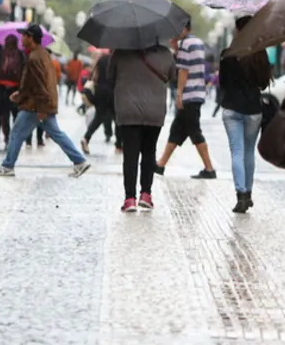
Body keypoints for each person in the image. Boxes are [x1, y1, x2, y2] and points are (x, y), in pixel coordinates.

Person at [0, 23, 91, 178]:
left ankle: (7, 166)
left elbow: (41, 84)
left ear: (31, 38)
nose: (21, 38)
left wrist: (42, 107)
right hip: (40, 103)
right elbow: (35, 82)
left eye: (24, 35)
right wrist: (21, 93)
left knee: (16, 132)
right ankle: (79, 161)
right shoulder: (41, 54)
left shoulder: (35, 57)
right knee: (56, 133)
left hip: (35, 105)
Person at [109, 44, 176, 212]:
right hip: (155, 110)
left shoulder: (120, 52)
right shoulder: (165, 53)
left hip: (128, 109)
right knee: (149, 151)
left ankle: (129, 198)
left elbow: (110, 77)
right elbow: (171, 76)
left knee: (130, 154)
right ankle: (146, 195)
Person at [220, 16, 272, 213]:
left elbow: (223, 84)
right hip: (253, 110)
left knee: (237, 152)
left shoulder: (227, 54)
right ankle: (248, 193)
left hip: (231, 108)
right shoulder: (260, 53)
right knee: (249, 152)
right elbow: (264, 83)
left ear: (237, 31)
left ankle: (241, 195)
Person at [155, 20, 216, 178]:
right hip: (197, 93)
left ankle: (209, 169)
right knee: (176, 130)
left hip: (189, 94)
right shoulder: (196, 42)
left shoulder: (186, 44)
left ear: (183, 28)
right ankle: (160, 165)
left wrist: (180, 94)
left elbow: (183, 71)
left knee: (195, 131)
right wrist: (176, 47)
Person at [80, 51, 118, 154]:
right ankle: (119, 145)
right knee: (117, 117)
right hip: (113, 91)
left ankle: (86, 138)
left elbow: (94, 74)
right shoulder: (118, 59)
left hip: (100, 90)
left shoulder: (102, 59)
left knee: (99, 117)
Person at [0, 35, 26, 148]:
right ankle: (10, 137)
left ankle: (9, 137)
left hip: (10, 89)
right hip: (9, 89)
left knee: (9, 116)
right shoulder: (3, 54)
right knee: (10, 116)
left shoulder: (4, 54)